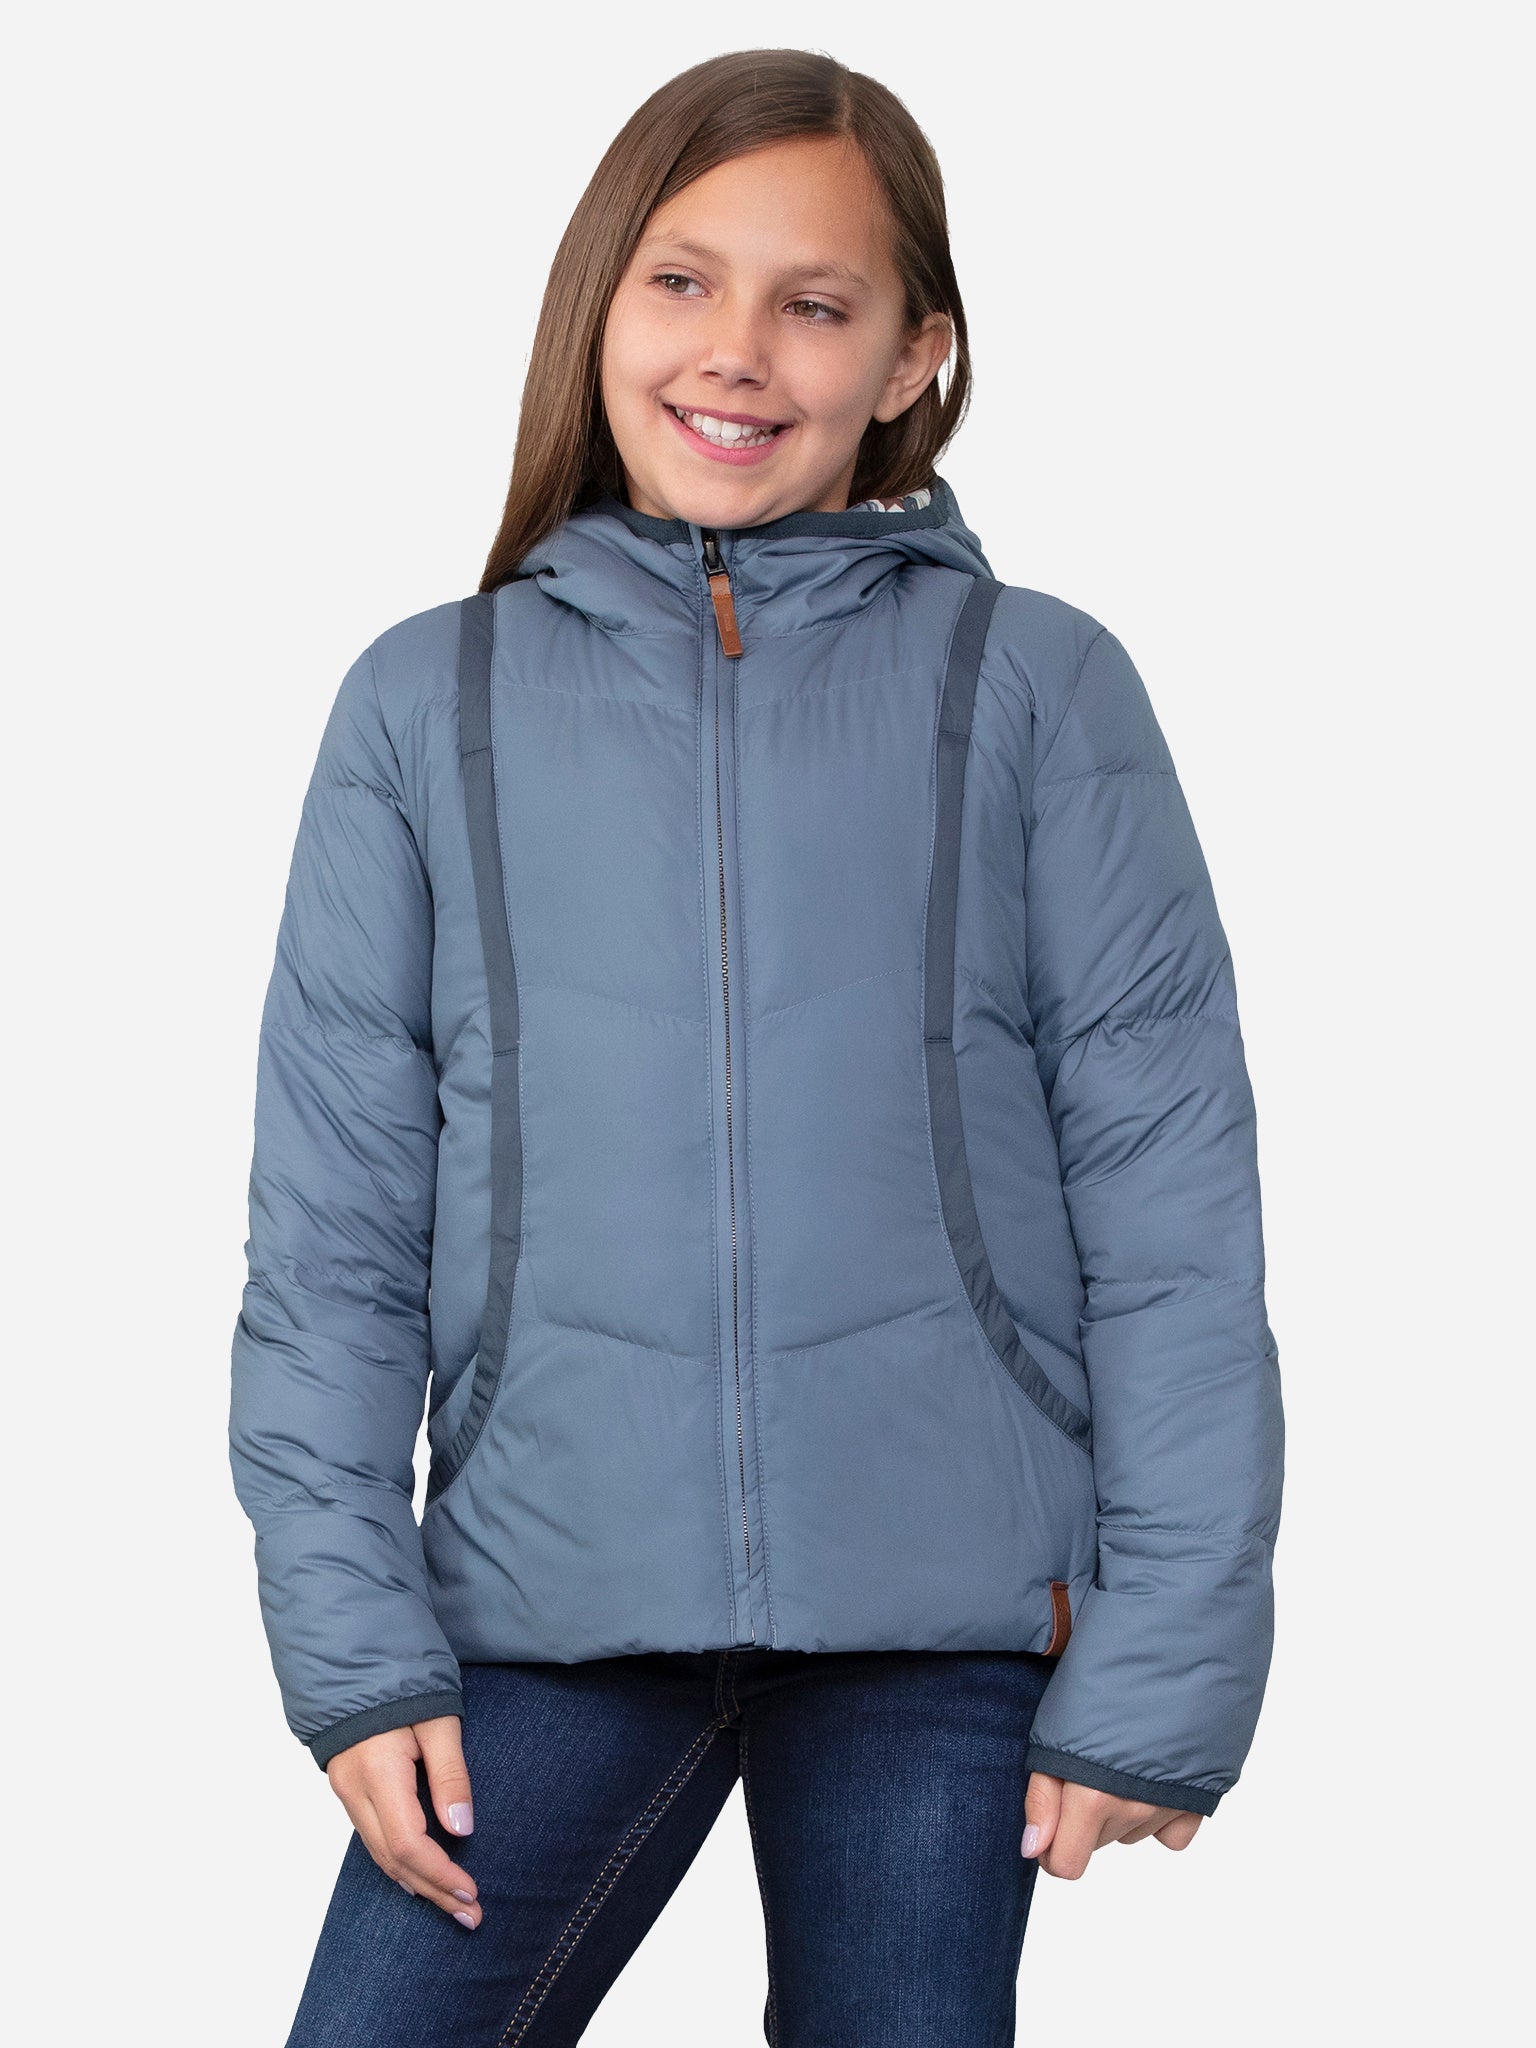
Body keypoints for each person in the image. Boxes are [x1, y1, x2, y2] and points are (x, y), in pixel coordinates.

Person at [230, 46, 1284, 2048]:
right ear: (600, 304)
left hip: (942, 1623)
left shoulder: (1037, 687)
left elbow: (1171, 1210)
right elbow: (334, 1232)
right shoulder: (429, 704)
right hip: (542, 1605)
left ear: (913, 356)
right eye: (683, 281)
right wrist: (354, 1641)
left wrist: (1171, 1651)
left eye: (817, 302)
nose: (739, 350)